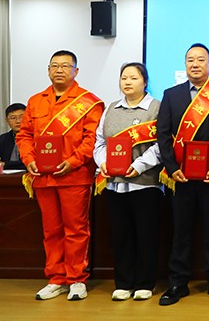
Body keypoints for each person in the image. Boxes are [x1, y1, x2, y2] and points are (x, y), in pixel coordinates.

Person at [16, 50, 104, 301]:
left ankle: (76, 279)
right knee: (51, 231)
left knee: (76, 230)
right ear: (48, 70)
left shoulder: (89, 102)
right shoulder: (36, 101)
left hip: (74, 176)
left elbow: (91, 140)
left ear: (76, 71)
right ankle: (56, 278)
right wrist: (29, 160)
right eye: (54, 66)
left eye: (65, 66)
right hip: (43, 177)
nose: (59, 70)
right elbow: (24, 135)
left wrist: (72, 161)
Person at [156, 43, 209, 306]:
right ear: (184, 64)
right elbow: (163, 135)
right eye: (190, 60)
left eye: (201, 60)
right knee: (181, 231)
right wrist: (172, 168)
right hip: (181, 177)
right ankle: (177, 283)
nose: (195, 64)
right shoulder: (171, 95)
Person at [93, 62, 163, 301]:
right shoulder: (111, 109)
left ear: (145, 81)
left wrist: (139, 165)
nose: (128, 82)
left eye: (133, 78)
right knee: (121, 236)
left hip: (145, 183)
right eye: (124, 78)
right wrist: (103, 162)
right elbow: (99, 142)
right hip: (114, 184)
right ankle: (123, 283)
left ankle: (145, 283)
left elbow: (160, 145)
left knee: (146, 235)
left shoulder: (156, 108)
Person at [0, 103, 26, 170]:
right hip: (6, 175)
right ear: (7, 121)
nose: (18, 121)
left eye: (21, 117)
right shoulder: (2, 139)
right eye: (13, 118)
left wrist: (6, 165)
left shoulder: (36, 138)